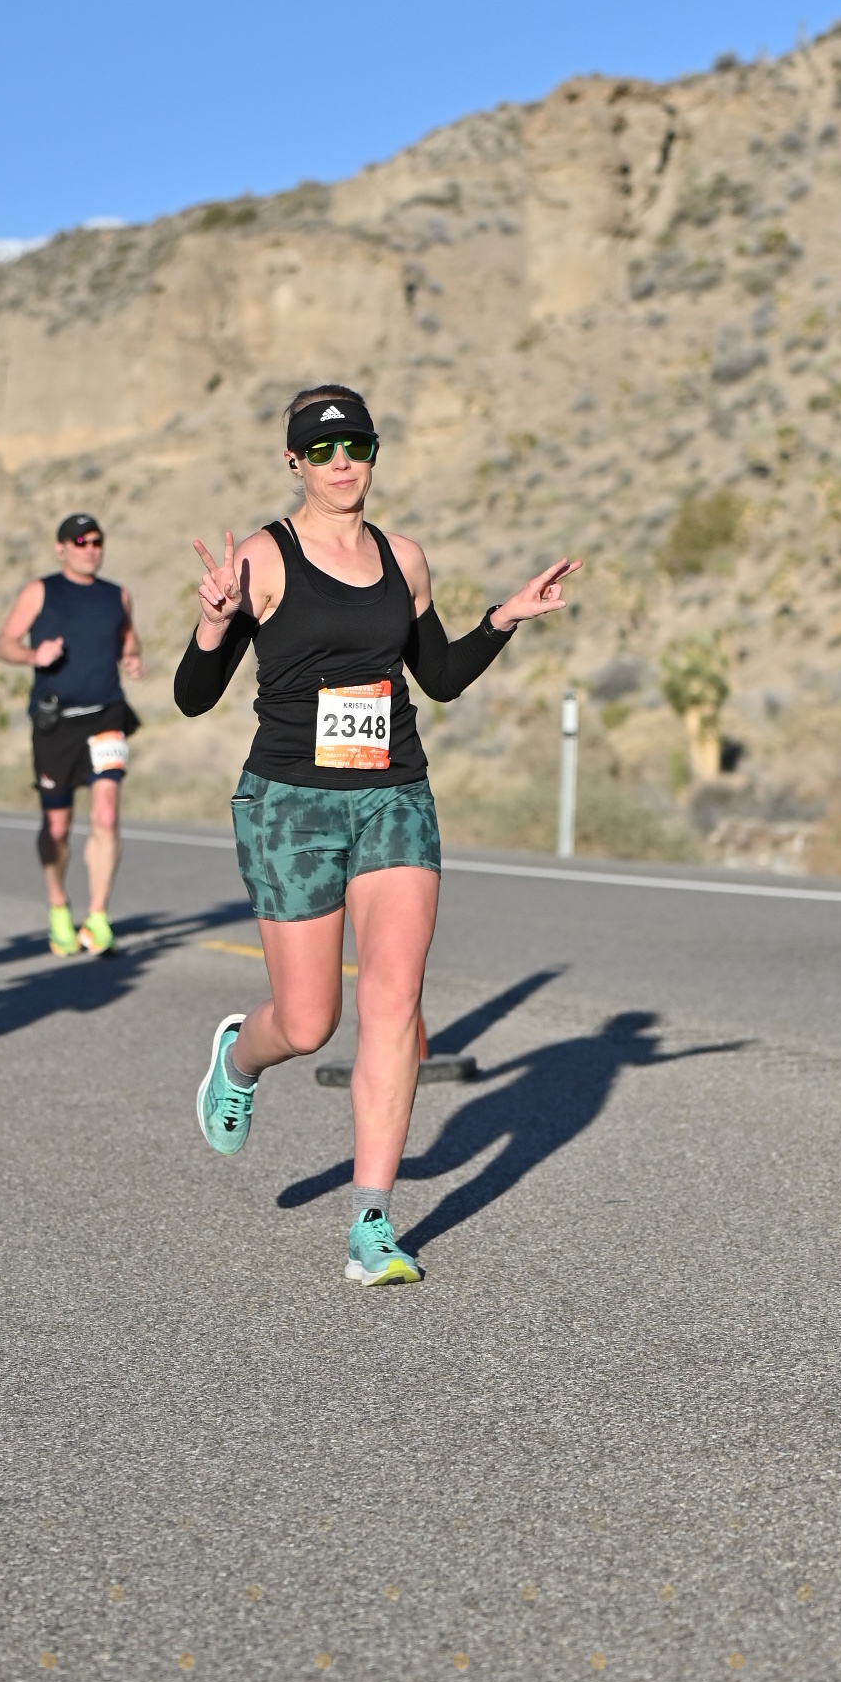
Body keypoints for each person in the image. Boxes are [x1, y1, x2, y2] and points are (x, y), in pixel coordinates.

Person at [174, 382, 577, 1286]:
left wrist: (503, 620)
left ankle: (371, 1224)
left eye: (354, 445)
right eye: (321, 450)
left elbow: (440, 677)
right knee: (309, 1022)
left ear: (373, 451)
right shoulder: (263, 560)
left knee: (393, 1003)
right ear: (294, 462)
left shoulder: (405, 558)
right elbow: (193, 697)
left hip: (395, 795)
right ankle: (239, 1059)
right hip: (290, 804)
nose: (341, 463)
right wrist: (212, 622)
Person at [0, 511, 143, 956]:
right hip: (56, 723)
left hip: (106, 717)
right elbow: (4, 644)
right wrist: (33, 655)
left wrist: (132, 658)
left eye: (96, 541)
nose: (90, 549)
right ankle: (58, 906)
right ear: (60, 548)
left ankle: (97, 917)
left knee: (106, 815)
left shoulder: (117, 595)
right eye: (80, 542)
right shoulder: (40, 591)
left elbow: (128, 640)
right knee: (57, 827)